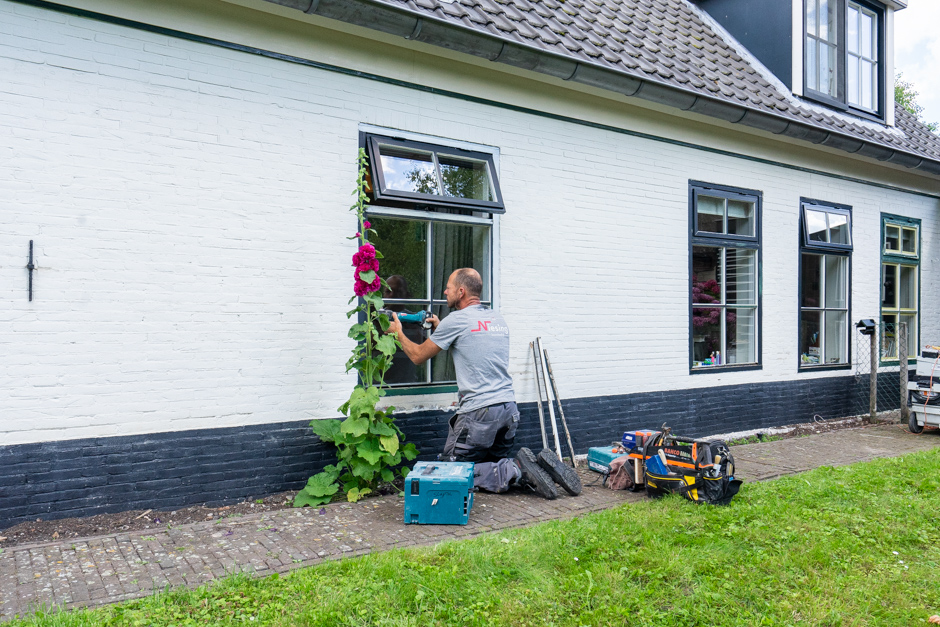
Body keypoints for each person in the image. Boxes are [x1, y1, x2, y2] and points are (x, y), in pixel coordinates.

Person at [385, 268, 581, 499]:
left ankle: (516, 468)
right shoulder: (496, 318)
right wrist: (441, 329)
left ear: (461, 291)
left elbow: (418, 356)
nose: (444, 291)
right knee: (490, 465)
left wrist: (398, 332)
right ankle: (533, 468)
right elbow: (471, 349)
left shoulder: (456, 320)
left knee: (451, 472)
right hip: (509, 411)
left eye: (448, 287)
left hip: (479, 414)